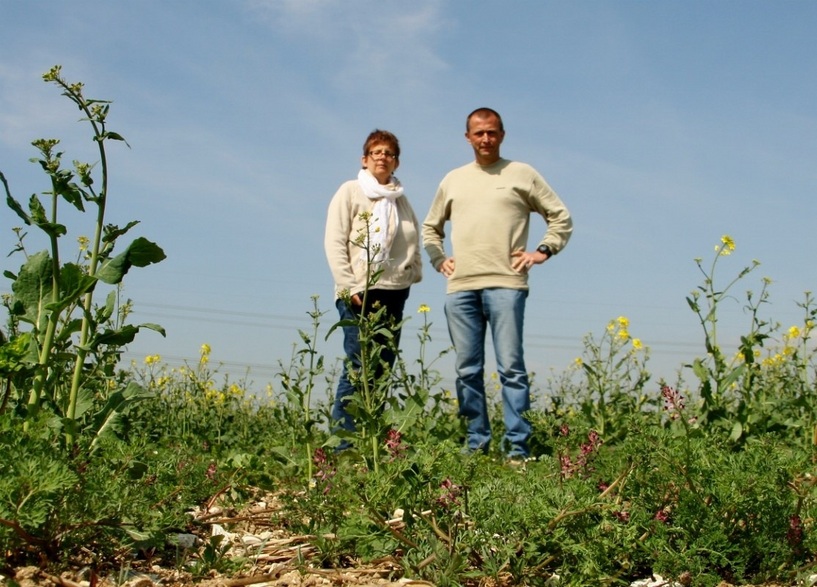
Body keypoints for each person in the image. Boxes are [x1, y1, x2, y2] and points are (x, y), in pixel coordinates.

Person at [422, 108, 573, 460]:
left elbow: (560, 216)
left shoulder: (522, 174)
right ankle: (477, 445)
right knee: (467, 371)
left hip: (506, 284)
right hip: (460, 287)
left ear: (502, 135)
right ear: (468, 137)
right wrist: (438, 258)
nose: (485, 139)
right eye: (478, 133)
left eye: (491, 132)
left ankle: (517, 451)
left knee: (511, 370)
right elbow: (431, 228)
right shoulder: (452, 180)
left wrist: (543, 251)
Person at [324, 129, 422, 447]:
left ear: (396, 162)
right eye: (376, 152)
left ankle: (371, 441)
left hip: (395, 291)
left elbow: (412, 239)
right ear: (364, 159)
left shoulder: (402, 200)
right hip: (359, 292)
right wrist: (347, 284)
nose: (383, 157)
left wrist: (413, 272)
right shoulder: (351, 191)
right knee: (359, 365)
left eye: (389, 153)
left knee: (382, 367)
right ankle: (344, 445)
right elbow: (335, 240)